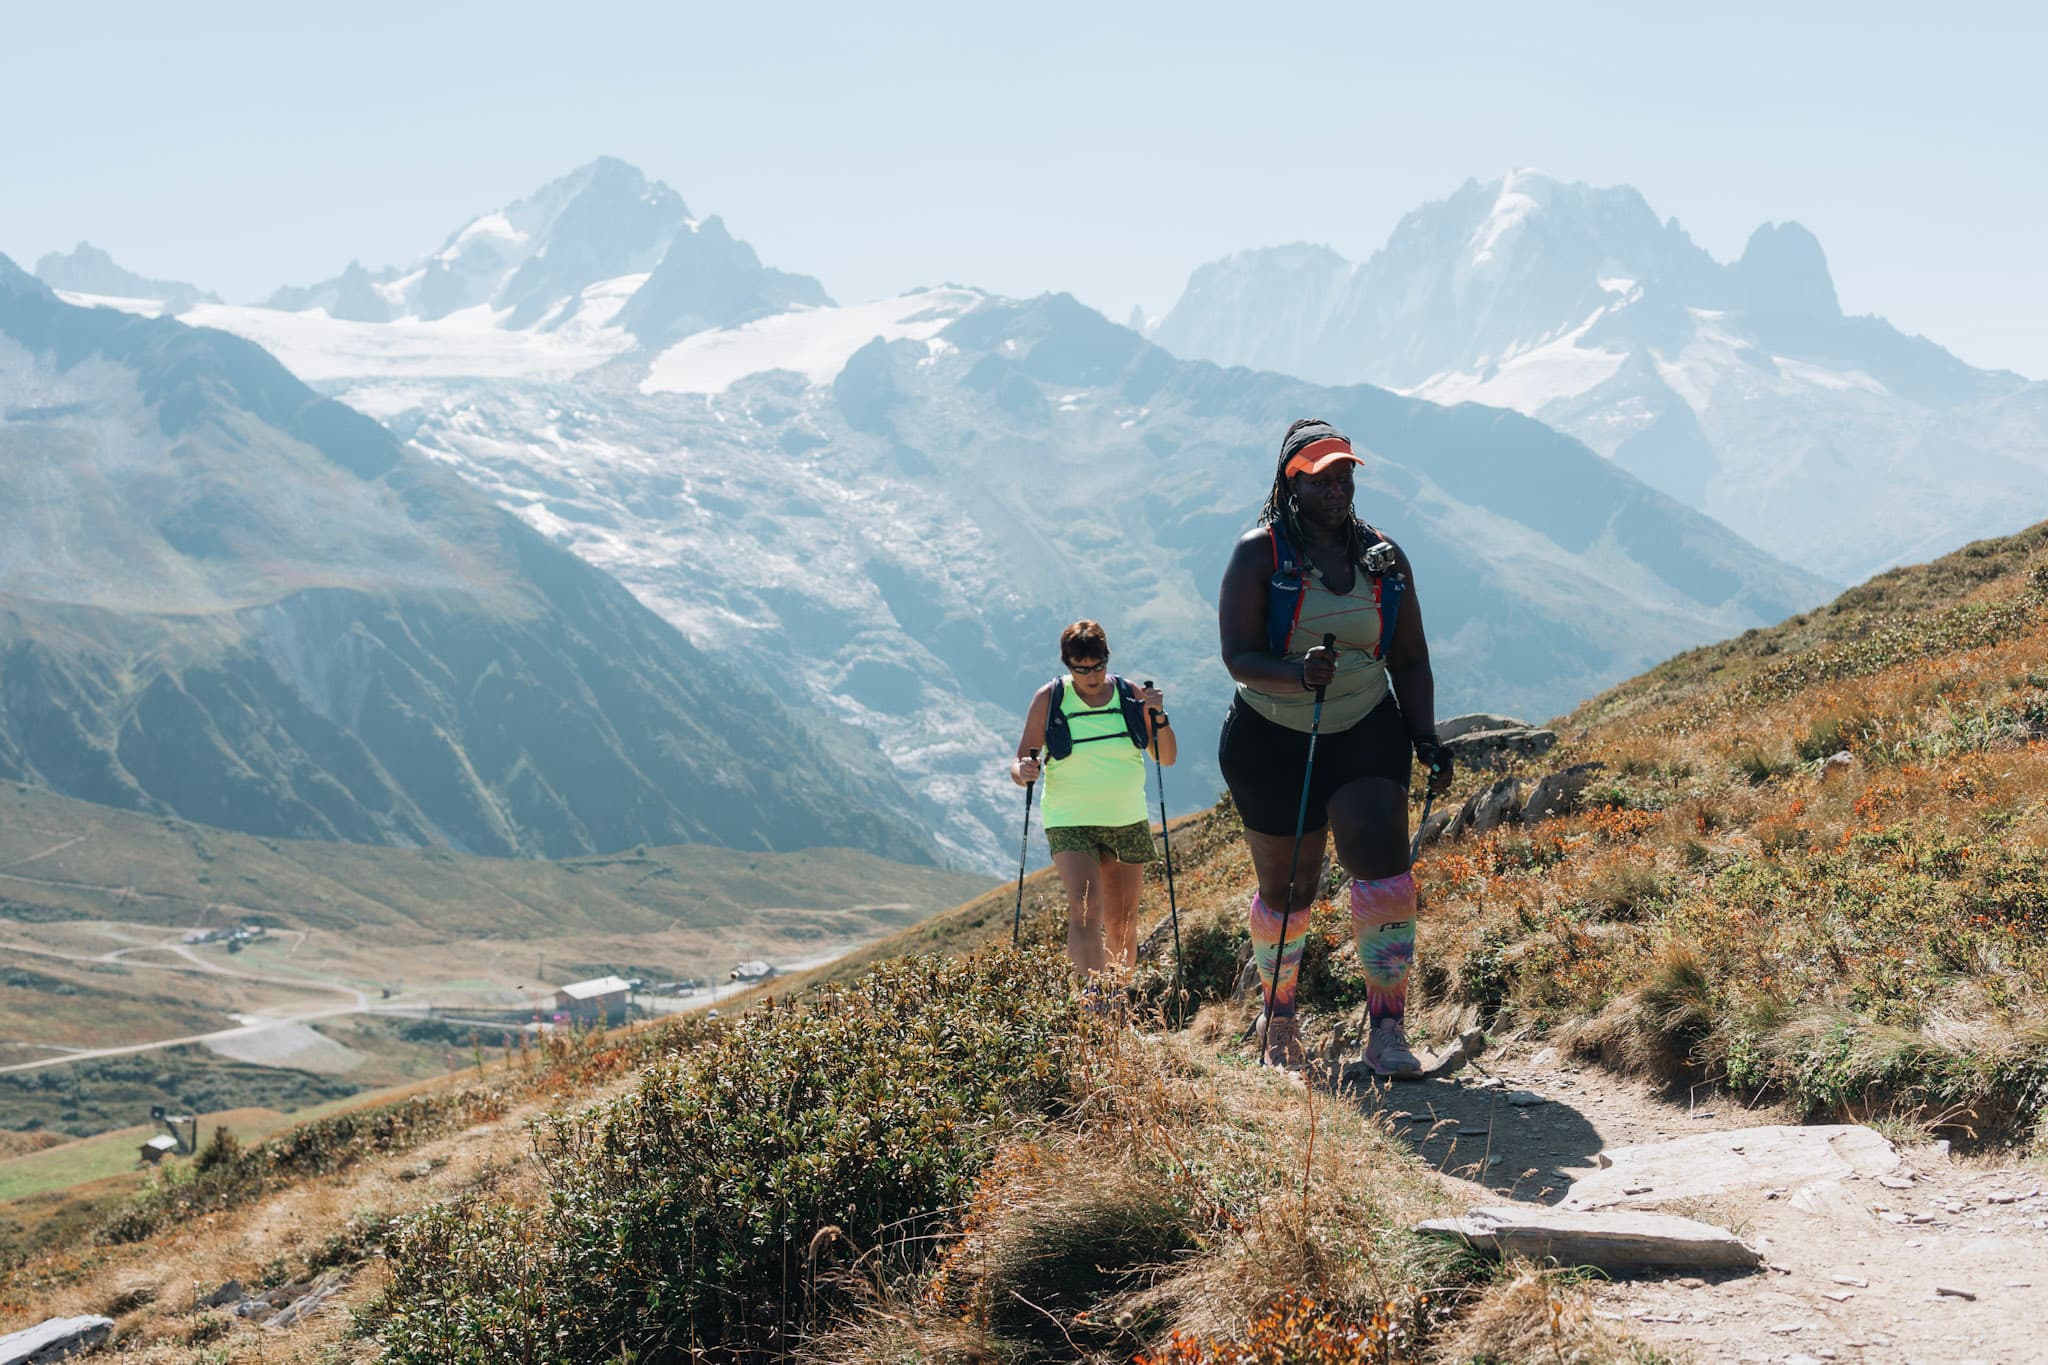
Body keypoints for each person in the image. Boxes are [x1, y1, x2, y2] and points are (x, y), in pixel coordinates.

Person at [1216, 419, 1454, 1072]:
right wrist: (1297, 675)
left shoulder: (1384, 556)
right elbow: (1238, 655)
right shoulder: (1256, 555)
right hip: (1270, 737)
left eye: (1345, 474)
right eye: (1323, 477)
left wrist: (1425, 735)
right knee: (1289, 886)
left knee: (1384, 862)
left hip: (1363, 724)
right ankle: (1280, 1022)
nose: (1338, 487)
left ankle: (1386, 1030)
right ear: (1292, 484)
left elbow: (1409, 658)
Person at [1010, 621, 1175, 982]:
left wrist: (1158, 715)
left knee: (1123, 920)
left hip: (1126, 819)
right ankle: (1094, 1006)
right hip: (1070, 819)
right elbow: (1019, 762)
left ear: (1107, 659)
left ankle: (1117, 1003)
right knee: (1085, 912)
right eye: (1081, 669)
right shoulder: (1049, 698)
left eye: (1097, 666)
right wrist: (1024, 770)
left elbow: (1166, 757)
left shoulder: (1130, 694)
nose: (1091, 675)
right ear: (1067, 665)